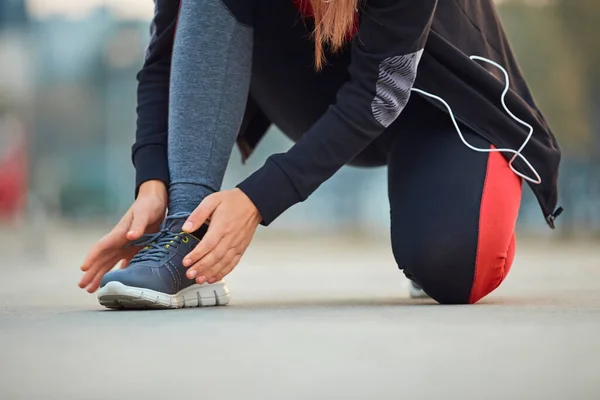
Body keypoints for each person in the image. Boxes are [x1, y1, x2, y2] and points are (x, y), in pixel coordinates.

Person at [78, 0, 562, 309]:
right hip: (314, 92)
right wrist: (154, 184)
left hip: (440, 107)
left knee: (454, 267)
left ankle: (443, 204)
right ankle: (186, 239)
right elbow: (165, 53)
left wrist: (256, 201)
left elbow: (383, 92)